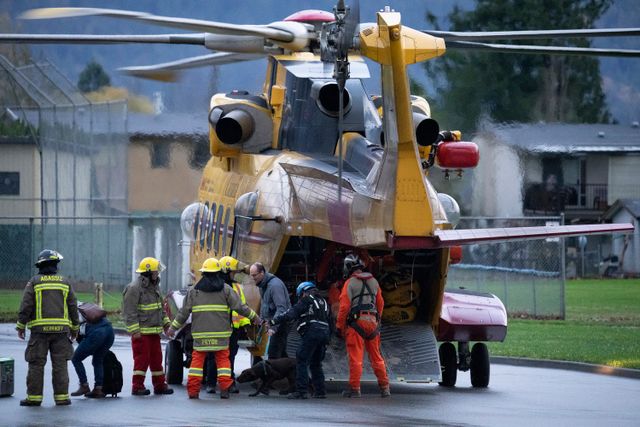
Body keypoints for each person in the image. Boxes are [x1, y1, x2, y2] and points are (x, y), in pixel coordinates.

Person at [167, 258, 261, 399]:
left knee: (196, 365)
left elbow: (183, 313)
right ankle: (224, 390)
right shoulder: (226, 290)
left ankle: (193, 392)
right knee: (223, 364)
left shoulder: (194, 292)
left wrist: (173, 328)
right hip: (221, 336)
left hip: (200, 337)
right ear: (218, 273)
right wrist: (255, 317)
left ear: (203, 273)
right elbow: (240, 307)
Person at [16, 249, 80, 407]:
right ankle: (62, 398)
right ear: (55, 265)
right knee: (60, 365)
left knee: (36, 364)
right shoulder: (64, 282)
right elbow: (73, 306)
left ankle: (34, 398)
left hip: (39, 333)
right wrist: (75, 328)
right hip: (61, 332)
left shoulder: (34, 282)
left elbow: (26, 305)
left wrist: (21, 325)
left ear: (40, 265)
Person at [336, 254, 390, 398]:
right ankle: (385, 387)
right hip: (373, 323)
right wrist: (377, 319)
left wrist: (339, 327)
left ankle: (355, 389)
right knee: (377, 357)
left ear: (348, 268)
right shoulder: (374, 282)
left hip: (356, 323)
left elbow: (344, 308)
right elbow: (380, 304)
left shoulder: (349, 283)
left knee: (356, 358)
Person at [269, 281, 331, 399]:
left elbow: (291, 314)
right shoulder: (324, 302)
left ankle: (301, 391)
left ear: (303, 292)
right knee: (316, 363)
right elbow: (330, 321)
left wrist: (273, 321)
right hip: (324, 333)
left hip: (312, 332)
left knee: (301, 359)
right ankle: (320, 391)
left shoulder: (306, 300)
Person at [122, 257, 173, 396]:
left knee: (157, 360)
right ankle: (137, 386)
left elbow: (160, 309)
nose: (158, 274)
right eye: (156, 272)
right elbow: (129, 312)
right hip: (141, 334)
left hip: (154, 333)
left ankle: (160, 385)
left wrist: (167, 324)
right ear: (149, 273)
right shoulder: (133, 288)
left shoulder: (154, 287)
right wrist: (135, 331)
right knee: (141, 362)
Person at [204, 255, 251, 394]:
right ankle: (211, 383)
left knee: (230, 356)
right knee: (213, 356)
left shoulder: (236, 287)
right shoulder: (214, 287)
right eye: (233, 272)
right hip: (216, 327)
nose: (236, 274)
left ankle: (228, 382)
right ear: (225, 271)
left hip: (232, 329)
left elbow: (242, 306)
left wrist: (244, 324)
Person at [70, 306, 115, 398]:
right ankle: (98, 389)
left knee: (76, 359)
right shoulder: (83, 306)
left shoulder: (69, 312)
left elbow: (78, 333)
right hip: (110, 330)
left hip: (96, 333)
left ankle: (84, 386)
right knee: (98, 360)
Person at [249, 262, 291, 359]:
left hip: (280, 324)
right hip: (271, 323)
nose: (253, 278)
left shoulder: (275, 286)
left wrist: (273, 327)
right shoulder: (262, 285)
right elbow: (265, 305)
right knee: (278, 352)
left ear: (262, 273)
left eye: (254, 275)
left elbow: (282, 308)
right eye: (251, 275)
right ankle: (290, 371)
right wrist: (262, 321)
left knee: (274, 354)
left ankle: (283, 372)